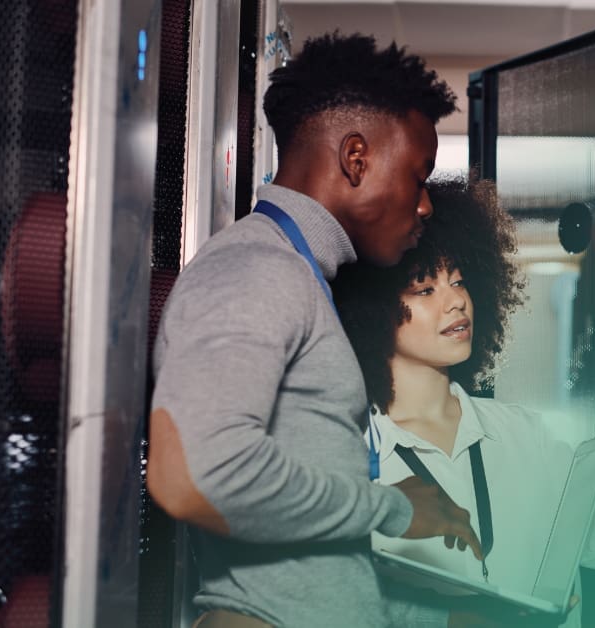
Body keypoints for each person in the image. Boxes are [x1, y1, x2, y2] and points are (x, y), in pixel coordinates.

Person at [148, 34, 482, 627]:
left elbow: (315, 574)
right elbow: (193, 476)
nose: (425, 205)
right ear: (356, 158)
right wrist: (389, 508)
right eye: (418, 174)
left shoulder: (298, 277)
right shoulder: (257, 268)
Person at [332, 177, 595, 627]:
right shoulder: (349, 460)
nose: (456, 301)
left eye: (458, 280)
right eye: (425, 289)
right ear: (372, 311)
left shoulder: (525, 436)